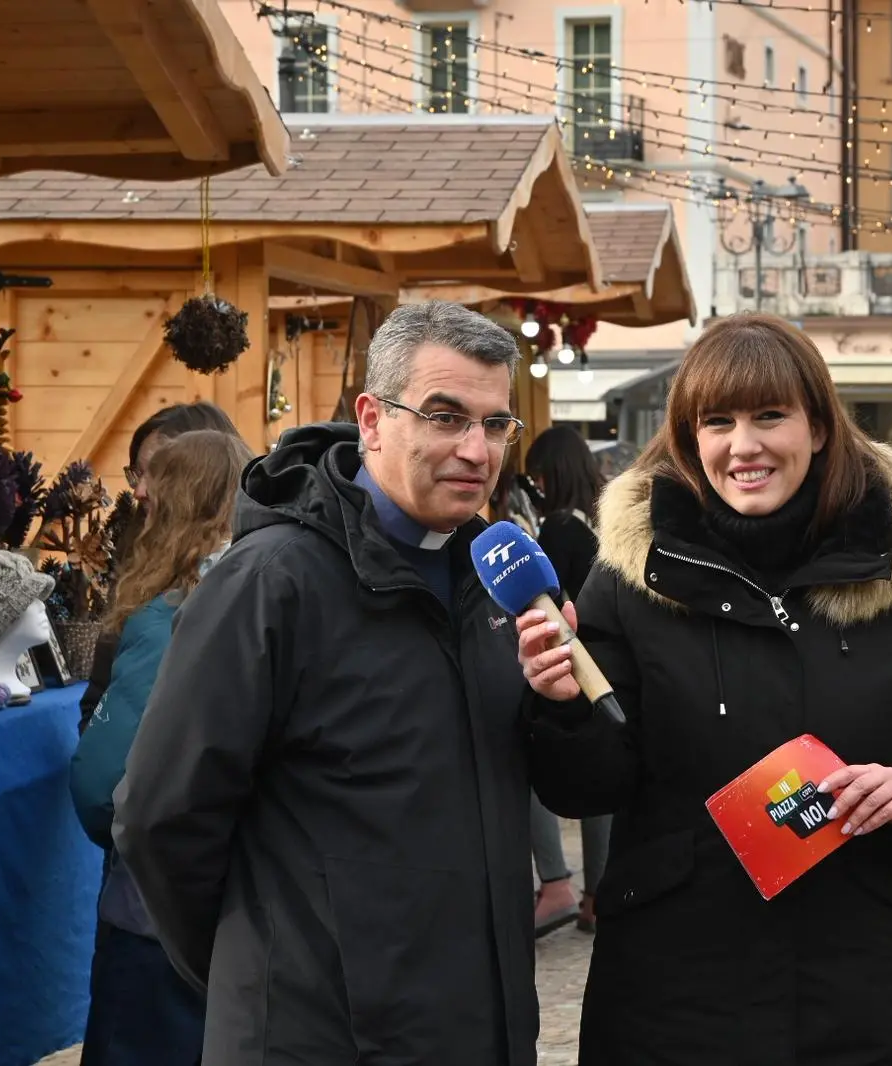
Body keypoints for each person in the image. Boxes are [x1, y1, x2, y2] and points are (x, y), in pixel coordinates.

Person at [517, 313, 892, 1065]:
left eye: (769, 416)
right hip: (672, 994)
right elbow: (587, 784)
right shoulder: (630, 579)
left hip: (861, 988)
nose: (743, 446)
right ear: (689, 439)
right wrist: (558, 705)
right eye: (718, 422)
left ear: (817, 426)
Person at [113, 302, 539, 1066]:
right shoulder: (270, 582)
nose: (477, 449)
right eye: (445, 416)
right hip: (314, 1038)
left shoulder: (494, 581)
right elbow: (159, 816)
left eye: (496, 423)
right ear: (371, 419)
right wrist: (261, 968)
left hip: (476, 1029)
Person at [70, 429, 251, 1066]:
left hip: (159, 916)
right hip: (255, 918)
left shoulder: (169, 613)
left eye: (151, 492)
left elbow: (103, 786)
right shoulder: (274, 586)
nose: (137, 494)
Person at [78, 401, 242, 736]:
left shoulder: (252, 568)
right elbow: (101, 692)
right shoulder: (138, 563)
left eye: (158, 472)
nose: (139, 491)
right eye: (136, 474)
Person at [523, 426, 613, 936]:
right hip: (605, 664)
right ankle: (596, 895)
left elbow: (543, 602)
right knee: (602, 789)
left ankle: (557, 883)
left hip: (569, 664)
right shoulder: (599, 522)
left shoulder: (558, 529)